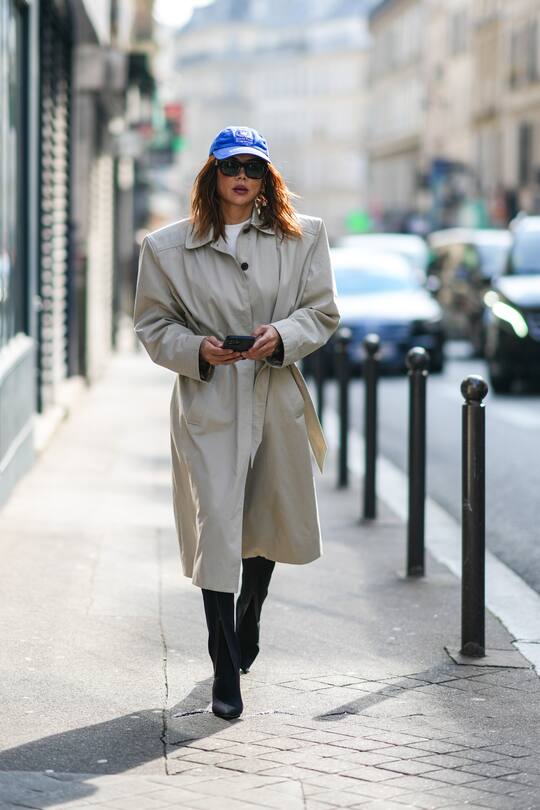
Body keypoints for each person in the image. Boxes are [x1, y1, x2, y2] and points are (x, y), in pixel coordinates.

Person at [133, 125, 340, 720]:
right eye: (230, 167)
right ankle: (225, 665)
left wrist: (284, 336)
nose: (241, 177)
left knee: (266, 524)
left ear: (266, 176)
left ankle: (249, 616)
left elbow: (322, 311)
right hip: (211, 402)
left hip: (276, 395)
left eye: (252, 166)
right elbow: (153, 326)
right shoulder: (166, 248)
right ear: (212, 175)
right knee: (218, 527)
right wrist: (197, 350)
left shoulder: (305, 238)